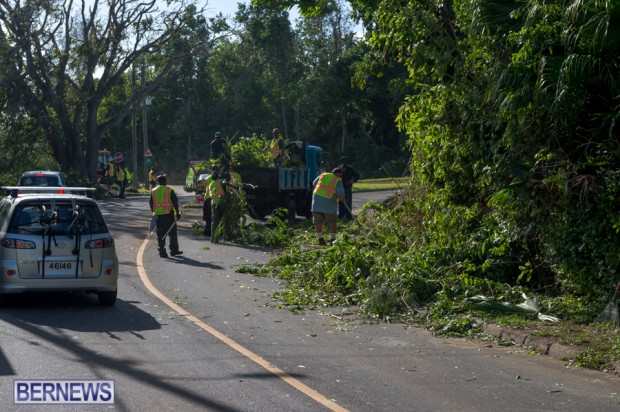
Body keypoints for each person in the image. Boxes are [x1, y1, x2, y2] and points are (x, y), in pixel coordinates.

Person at [149, 174, 183, 258]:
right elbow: (175, 202)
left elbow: (151, 202)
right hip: (168, 216)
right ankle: (174, 251)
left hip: (158, 217)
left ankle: (162, 252)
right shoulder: (169, 190)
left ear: (159, 182)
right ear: (164, 181)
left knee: (160, 234)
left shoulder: (154, 190)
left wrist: (153, 212)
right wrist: (178, 213)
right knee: (172, 233)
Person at [311, 167, 346, 245]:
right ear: (338, 173)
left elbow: (314, 183)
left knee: (318, 221)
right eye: (341, 175)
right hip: (329, 203)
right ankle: (333, 240)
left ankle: (320, 239)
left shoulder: (323, 175)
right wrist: (343, 199)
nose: (341, 177)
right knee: (332, 221)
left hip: (316, 202)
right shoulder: (338, 179)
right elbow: (340, 192)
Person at [208, 168, 239, 243]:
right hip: (221, 203)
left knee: (215, 221)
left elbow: (211, 194)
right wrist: (235, 187)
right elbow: (226, 184)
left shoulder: (211, 184)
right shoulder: (219, 181)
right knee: (226, 219)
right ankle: (228, 236)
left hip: (214, 204)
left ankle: (213, 237)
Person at [338, 156, 361, 220]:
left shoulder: (350, 168)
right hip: (340, 188)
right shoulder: (339, 168)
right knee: (341, 202)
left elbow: (357, 175)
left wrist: (352, 181)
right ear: (341, 162)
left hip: (347, 187)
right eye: (343, 161)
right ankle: (341, 216)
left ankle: (348, 216)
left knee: (348, 202)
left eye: (346, 161)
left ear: (347, 162)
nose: (344, 162)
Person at [201, 164, 219, 237]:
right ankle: (214, 232)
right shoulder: (218, 178)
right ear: (217, 170)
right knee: (214, 216)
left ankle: (207, 231)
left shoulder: (207, 178)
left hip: (207, 198)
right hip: (215, 199)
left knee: (208, 216)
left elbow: (206, 189)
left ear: (211, 170)